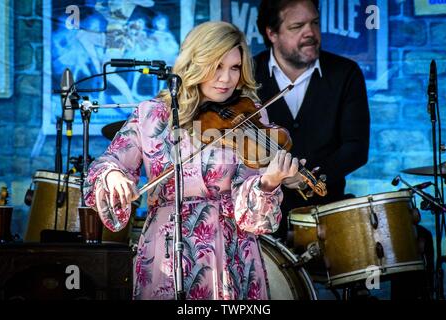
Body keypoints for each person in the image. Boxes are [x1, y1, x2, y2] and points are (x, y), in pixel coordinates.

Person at [84, 21, 304, 300]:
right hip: (165, 253)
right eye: (216, 66)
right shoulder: (152, 116)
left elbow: (253, 218)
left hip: (231, 254)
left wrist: (268, 183)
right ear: (195, 63)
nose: (226, 79)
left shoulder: (251, 115)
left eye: (234, 68)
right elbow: (105, 164)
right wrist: (113, 175)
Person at [254, 0, 370, 242]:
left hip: (327, 215)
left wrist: (311, 179)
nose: (310, 33)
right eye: (297, 26)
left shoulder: (345, 73)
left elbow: (356, 147)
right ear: (272, 33)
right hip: (262, 219)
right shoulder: (247, 74)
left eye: (314, 23)